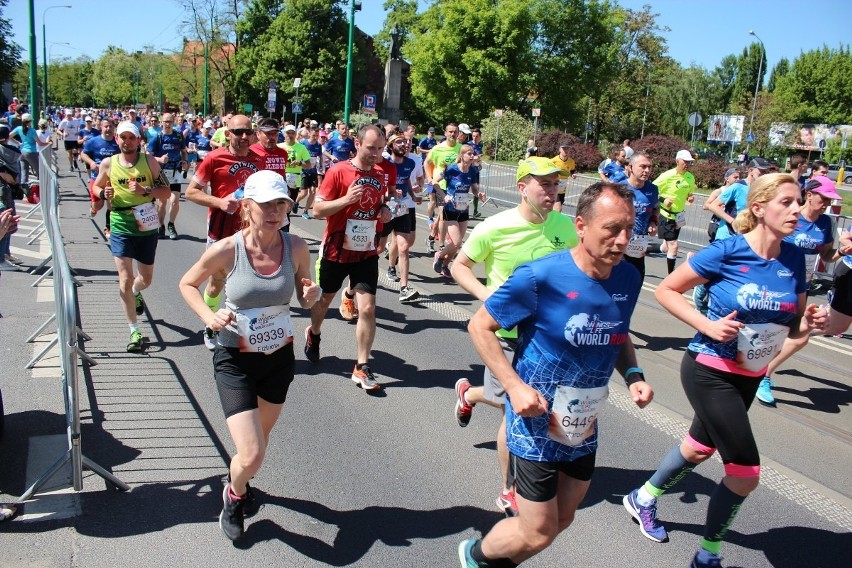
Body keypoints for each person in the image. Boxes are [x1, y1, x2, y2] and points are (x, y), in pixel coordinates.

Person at [623, 173, 826, 568]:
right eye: (786, 202)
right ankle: (707, 553)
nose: (797, 209)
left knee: (699, 448)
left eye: (798, 201)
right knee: (745, 473)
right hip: (709, 368)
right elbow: (667, 290)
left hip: (750, 374)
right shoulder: (728, 251)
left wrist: (811, 324)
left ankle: (642, 497)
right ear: (759, 208)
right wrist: (706, 324)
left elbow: (796, 323)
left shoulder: (793, 259)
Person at [458, 181, 653, 568]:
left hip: (582, 419)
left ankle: (497, 561)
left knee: (563, 519)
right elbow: (480, 327)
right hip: (535, 415)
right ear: (581, 225)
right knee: (538, 530)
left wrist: (634, 375)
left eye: (630, 228)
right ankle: (475, 556)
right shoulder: (540, 276)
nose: (623, 239)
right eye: (612, 228)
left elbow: (618, 332)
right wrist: (513, 387)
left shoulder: (628, 278)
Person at [179, 170, 320, 542]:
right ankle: (234, 494)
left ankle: (240, 476)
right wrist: (211, 317)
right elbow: (187, 284)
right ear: (246, 207)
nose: (274, 211)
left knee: (259, 440)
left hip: (277, 356)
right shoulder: (228, 248)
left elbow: (306, 292)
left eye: (281, 203)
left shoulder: (296, 247)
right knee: (253, 453)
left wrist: (310, 294)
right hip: (234, 357)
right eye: (265, 204)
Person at [451, 157, 579, 517]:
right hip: (506, 334)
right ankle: (510, 489)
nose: (553, 190)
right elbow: (458, 266)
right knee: (514, 411)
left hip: (551, 335)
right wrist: (486, 296)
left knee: (521, 402)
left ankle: (469, 393)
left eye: (556, 184)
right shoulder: (495, 227)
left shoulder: (565, 227)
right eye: (545, 183)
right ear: (523, 187)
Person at [304, 125, 392, 391]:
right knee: (324, 301)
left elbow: (379, 202)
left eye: (380, 148)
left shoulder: (380, 172)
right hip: (336, 249)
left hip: (365, 250)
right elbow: (317, 209)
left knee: (367, 308)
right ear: (357, 143)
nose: (376, 154)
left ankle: (362, 366)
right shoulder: (338, 171)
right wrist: (345, 200)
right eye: (371, 148)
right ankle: (314, 333)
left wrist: (384, 210)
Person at [757, 175, 840, 405]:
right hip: (776, 280)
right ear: (810, 195)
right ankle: (754, 371)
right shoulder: (790, 215)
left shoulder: (826, 223)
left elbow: (826, 256)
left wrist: (842, 252)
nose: (826, 204)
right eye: (823, 198)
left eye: (830, 200)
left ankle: (762, 373)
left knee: (797, 335)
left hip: (801, 286)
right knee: (772, 329)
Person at [186, 115, 263, 349]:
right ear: (227, 133)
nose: (243, 136)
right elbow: (191, 192)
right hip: (221, 230)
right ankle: (210, 325)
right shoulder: (214, 158)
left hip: (250, 230)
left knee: (251, 281)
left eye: (247, 132)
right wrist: (219, 202)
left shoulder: (260, 160)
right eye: (237, 132)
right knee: (217, 281)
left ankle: (250, 329)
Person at [93, 122, 171, 352]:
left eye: (131, 137)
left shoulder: (150, 162)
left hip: (146, 223)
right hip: (120, 223)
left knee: (145, 279)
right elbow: (96, 187)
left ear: (139, 140)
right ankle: (134, 331)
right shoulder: (108, 163)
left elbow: (166, 192)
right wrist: (101, 192)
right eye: (123, 137)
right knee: (125, 279)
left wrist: (145, 190)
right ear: (116, 138)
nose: (127, 141)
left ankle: (136, 293)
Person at [432, 144, 484, 277]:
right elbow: (435, 182)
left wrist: (479, 194)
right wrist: (444, 196)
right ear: (461, 155)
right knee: (456, 242)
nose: (472, 156)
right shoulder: (452, 169)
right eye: (469, 153)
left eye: (473, 153)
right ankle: (440, 255)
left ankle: (444, 266)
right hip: (450, 209)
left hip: (463, 209)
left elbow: (474, 188)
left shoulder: (473, 171)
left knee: (457, 245)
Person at [382, 135, 420, 302]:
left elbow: (406, 182)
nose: (404, 144)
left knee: (404, 248)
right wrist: (389, 194)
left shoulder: (410, 163)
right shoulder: (384, 164)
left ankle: (404, 288)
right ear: (391, 146)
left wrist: (412, 195)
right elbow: (378, 186)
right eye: (399, 142)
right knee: (377, 248)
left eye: (405, 142)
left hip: (402, 209)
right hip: (386, 209)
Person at [654, 149, 696, 274]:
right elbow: (650, 190)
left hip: (679, 216)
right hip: (666, 215)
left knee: (666, 248)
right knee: (674, 246)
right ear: (678, 161)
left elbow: (689, 192)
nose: (687, 164)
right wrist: (663, 199)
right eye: (685, 161)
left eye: (689, 162)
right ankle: (671, 276)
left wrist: (690, 197)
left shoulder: (690, 177)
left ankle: (644, 249)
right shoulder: (667, 175)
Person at [147, 113, 188, 240]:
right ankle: (161, 226)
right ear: (161, 122)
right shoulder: (157, 138)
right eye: (165, 121)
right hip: (162, 173)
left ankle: (171, 224)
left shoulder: (178, 136)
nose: (168, 124)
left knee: (175, 201)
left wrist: (185, 162)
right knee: (162, 203)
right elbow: (147, 155)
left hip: (175, 172)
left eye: (170, 121)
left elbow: (184, 151)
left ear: (173, 122)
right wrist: (159, 159)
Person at [621, 152, 659, 287]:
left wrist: (653, 221)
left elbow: (655, 207)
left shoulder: (653, 190)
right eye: (643, 166)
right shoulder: (619, 188)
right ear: (631, 167)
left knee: (636, 283)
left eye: (649, 167)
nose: (647, 170)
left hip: (639, 245)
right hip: (619, 244)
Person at [423, 123, 462, 252]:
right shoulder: (438, 148)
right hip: (441, 185)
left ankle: (430, 237)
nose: (452, 134)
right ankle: (441, 246)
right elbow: (427, 163)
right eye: (450, 131)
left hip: (455, 186)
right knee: (443, 215)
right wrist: (429, 178)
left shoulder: (461, 148)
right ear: (445, 133)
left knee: (442, 216)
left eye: (455, 132)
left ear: (458, 133)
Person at [80, 118, 120, 235]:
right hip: (96, 177)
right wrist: (91, 163)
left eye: (110, 127)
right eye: (106, 126)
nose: (108, 129)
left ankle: (108, 228)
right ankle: (93, 208)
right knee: (98, 205)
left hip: (112, 178)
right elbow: (83, 154)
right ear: (101, 128)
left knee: (111, 203)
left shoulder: (117, 142)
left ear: (114, 128)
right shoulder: (94, 141)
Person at [277, 124, 311, 217]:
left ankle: (285, 229)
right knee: (279, 206)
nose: (290, 135)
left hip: (294, 180)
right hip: (280, 177)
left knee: (288, 208)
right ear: (284, 134)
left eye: (292, 133)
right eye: (288, 133)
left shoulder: (301, 148)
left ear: (296, 134)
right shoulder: (278, 147)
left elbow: (309, 165)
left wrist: (299, 163)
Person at [703, 167, 741, 243]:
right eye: (735, 177)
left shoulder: (737, 191)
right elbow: (706, 205)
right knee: (716, 248)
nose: (738, 179)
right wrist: (719, 206)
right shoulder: (720, 191)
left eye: (739, 177)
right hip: (717, 223)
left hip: (728, 225)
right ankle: (692, 255)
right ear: (727, 179)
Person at [10, 113, 46, 184]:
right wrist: (48, 143)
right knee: (39, 172)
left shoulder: (18, 128)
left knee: (24, 174)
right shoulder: (32, 131)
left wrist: (18, 143)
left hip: (22, 152)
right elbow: (40, 143)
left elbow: (9, 136)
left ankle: (25, 191)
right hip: (31, 152)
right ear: (29, 121)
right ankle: (41, 189)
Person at [550, 144, 576, 213]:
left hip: (562, 189)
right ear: (560, 150)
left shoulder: (571, 162)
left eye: (567, 149)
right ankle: (553, 222)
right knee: (558, 208)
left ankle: (549, 220)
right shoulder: (553, 161)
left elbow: (572, 171)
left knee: (556, 209)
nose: (565, 151)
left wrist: (573, 175)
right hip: (554, 187)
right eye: (564, 149)